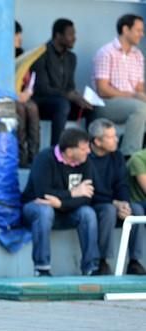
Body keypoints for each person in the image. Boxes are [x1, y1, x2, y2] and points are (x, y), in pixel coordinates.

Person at [21, 128, 100, 276]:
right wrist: (72, 193)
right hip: (34, 208)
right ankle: (42, 268)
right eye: (84, 148)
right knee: (44, 210)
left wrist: (61, 203)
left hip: (65, 210)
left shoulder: (85, 162)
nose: (88, 151)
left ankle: (91, 267)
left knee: (87, 213)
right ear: (69, 152)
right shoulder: (45, 158)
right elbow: (43, 194)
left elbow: (87, 197)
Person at [87, 118, 146, 275]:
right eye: (111, 137)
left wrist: (125, 204)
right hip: (95, 203)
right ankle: (102, 261)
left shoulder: (117, 156)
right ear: (98, 141)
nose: (116, 139)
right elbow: (89, 191)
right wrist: (114, 203)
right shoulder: (85, 157)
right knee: (108, 211)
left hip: (116, 202)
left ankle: (134, 261)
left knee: (137, 209)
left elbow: (122, 184)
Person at [31, 18, 92, 147]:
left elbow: (70, 86)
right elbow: (42, 88)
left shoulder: (71, 58)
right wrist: (68, 95)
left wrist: (77, 96)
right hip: (42, 102)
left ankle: (91, 148)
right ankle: (57, 150)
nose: (74, 38)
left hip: (62, 101)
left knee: (90, 107)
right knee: (62, 104)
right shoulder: (41, 54)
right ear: (58, 36)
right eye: (70, 34)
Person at [93, 14, 146, 157]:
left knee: (141, 106)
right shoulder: (106, 52)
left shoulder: (138, 55)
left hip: (131, 103)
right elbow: (103, 90)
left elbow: (139, 87)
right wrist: (133, 95)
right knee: (141, 108)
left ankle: (143, 156)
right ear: (125, 29)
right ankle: (129, 156)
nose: (142, 34)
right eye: (138, 30)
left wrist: (140, 95)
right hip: (107, 104)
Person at [15, 21, 40, 168]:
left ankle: (34, 155)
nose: (20, 39)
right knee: (20, 110)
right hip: (8, 97)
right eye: (17, 35)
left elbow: (28, 79)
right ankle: (21, 155)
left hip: (22, 95)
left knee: (32, 108)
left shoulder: (21, 55)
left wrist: (26, 93)